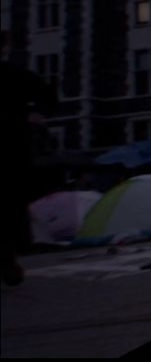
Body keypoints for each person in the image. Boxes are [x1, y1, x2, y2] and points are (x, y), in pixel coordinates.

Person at [1, 30, 57, 286]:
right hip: (12, 148)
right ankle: (10, 257)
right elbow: (48, 96)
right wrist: (34, 116)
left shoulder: (15, 76)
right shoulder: (15, 76)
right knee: (12, 203)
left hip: (13, 147)